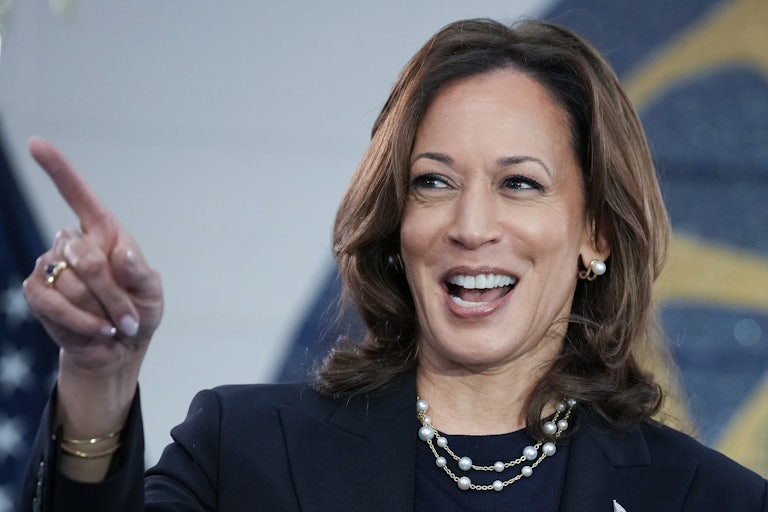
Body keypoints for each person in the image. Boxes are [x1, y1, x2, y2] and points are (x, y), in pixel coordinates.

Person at [17, 18, 767, 512]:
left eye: (520, 184)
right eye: (434, 181)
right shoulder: (243, 451)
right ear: (396, 223)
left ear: (595, 232)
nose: (471, 227)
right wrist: (98, 374)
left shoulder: (707, 500)